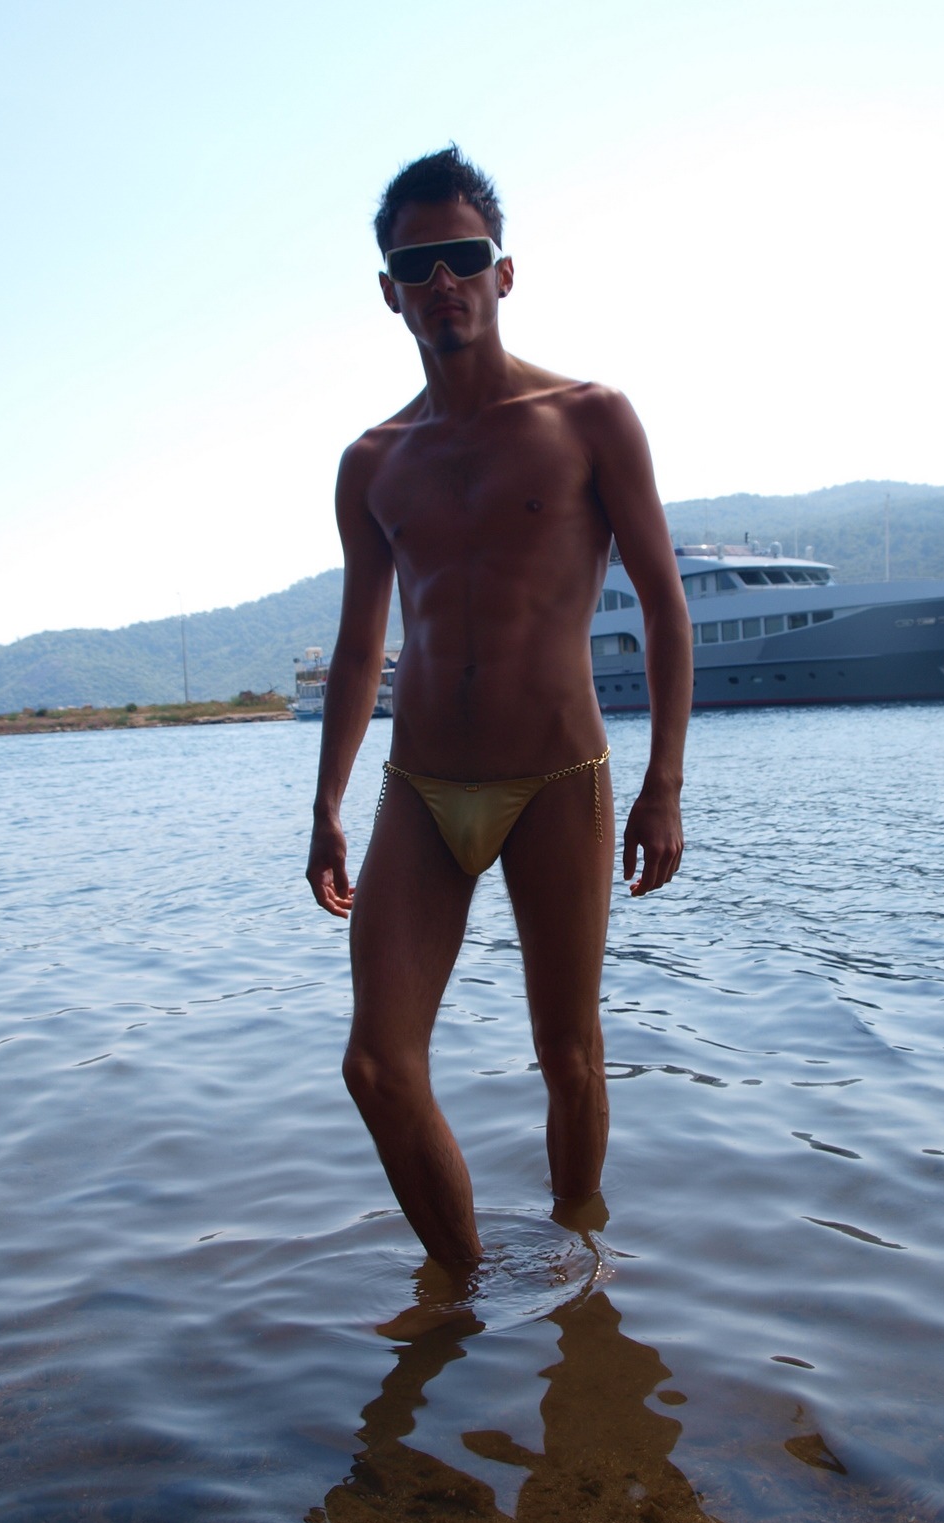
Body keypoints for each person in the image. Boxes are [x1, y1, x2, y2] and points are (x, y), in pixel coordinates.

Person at [306, 147, 692, 1266]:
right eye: (415, 264)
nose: (442, 280)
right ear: (389, 290)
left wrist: (664, 787)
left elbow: (665, 609)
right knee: (376, 1066)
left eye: (463, 256)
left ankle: (578, 1280)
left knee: (568, 1055)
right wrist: (327, 804)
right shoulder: (372, 462)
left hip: (558, 781)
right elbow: (360, 645)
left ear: (504, 272)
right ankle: (468, 1289)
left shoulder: (589, 417)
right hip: (420, 789)